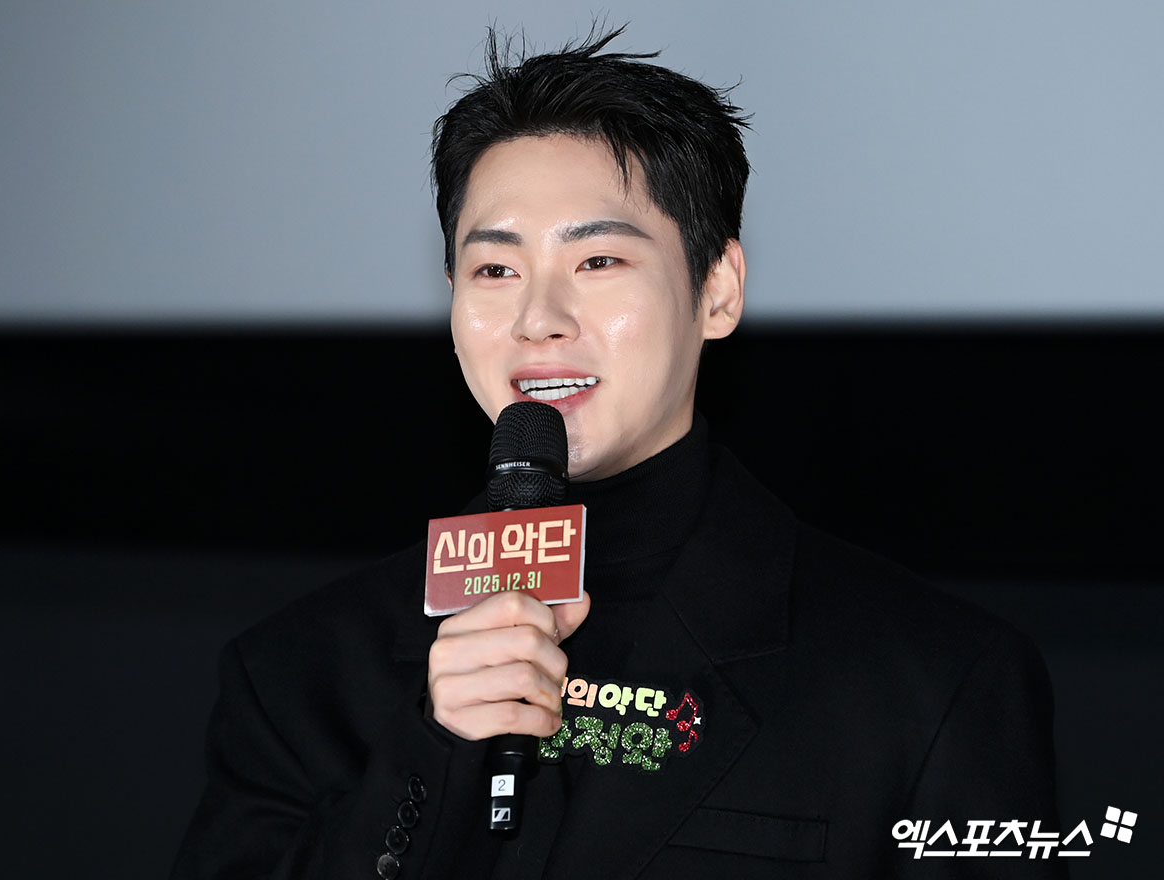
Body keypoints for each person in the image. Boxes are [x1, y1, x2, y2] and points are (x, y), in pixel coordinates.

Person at [172, 26, 1063, 879]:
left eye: (597, 262)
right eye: (495, 270)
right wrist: (431, 749)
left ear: (718, 291)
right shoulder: (301, 673)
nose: (538, 318)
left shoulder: (930, 681)